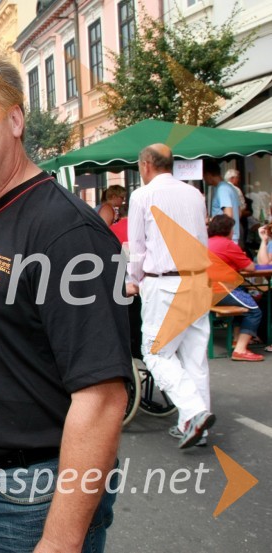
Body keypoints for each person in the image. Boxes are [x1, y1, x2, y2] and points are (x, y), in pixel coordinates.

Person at [0, 51, 130, 553]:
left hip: (36, 495)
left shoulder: (63, 231)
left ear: (15, 118)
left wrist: (58, 543)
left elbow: (102, 400)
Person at [128, 144, 216, 449]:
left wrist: (131, 280)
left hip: (164, 283)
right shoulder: (195, 194)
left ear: (147, 164)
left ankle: (193, 412)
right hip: (197, 280)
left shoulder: (143, 195)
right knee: (194, 357)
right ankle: (196, 428)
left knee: (155, 352)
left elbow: (137, 246)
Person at [207, 215, 264, 362]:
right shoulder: (227, 244)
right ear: (228, 230)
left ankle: (236, 339)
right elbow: (250, 267)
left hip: (205, 291)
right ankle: (240, 349)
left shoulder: (206, 242)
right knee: (254, 310)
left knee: (243, 297)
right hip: (220, 290)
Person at [204, 160, 240, 244]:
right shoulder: (230, 188)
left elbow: (228, 215)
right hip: (232, 236)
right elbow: (239, 212)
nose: (204, 180)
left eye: (204, 177)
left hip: (224, 238)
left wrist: (209, 220)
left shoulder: (222, 189)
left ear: (208, 175)